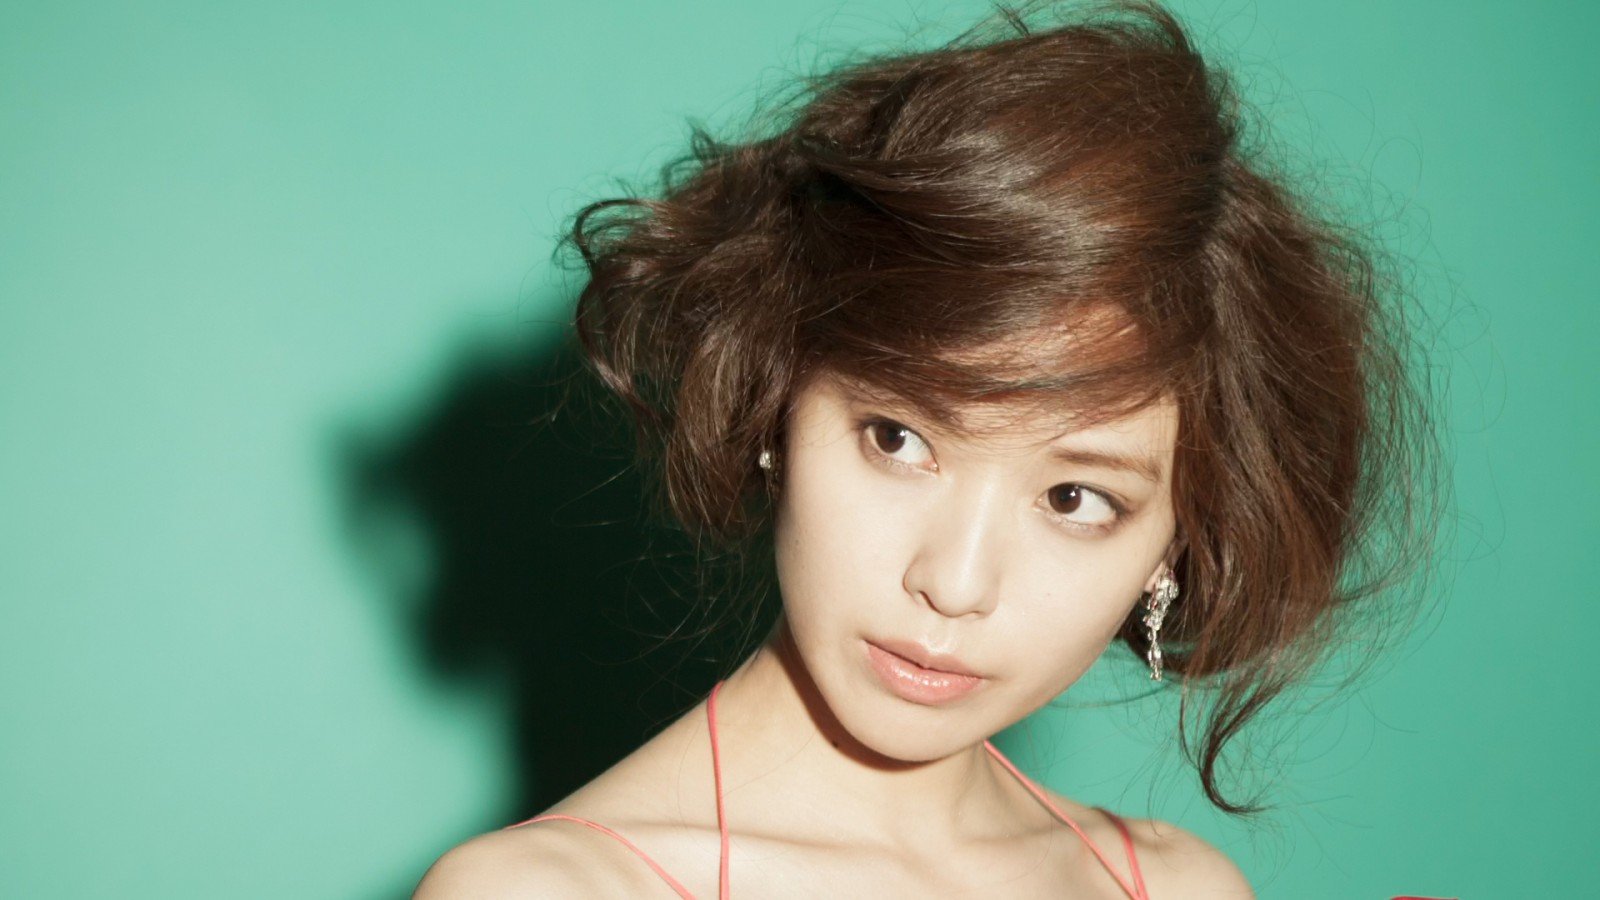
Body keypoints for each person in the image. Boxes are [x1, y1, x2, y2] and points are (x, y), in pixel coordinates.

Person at [415, 1, 1436, 896]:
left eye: (1075, 499)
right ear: (778, 394)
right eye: (898, 439)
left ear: (1173, 543)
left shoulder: (1177, 889)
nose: (954, 584)